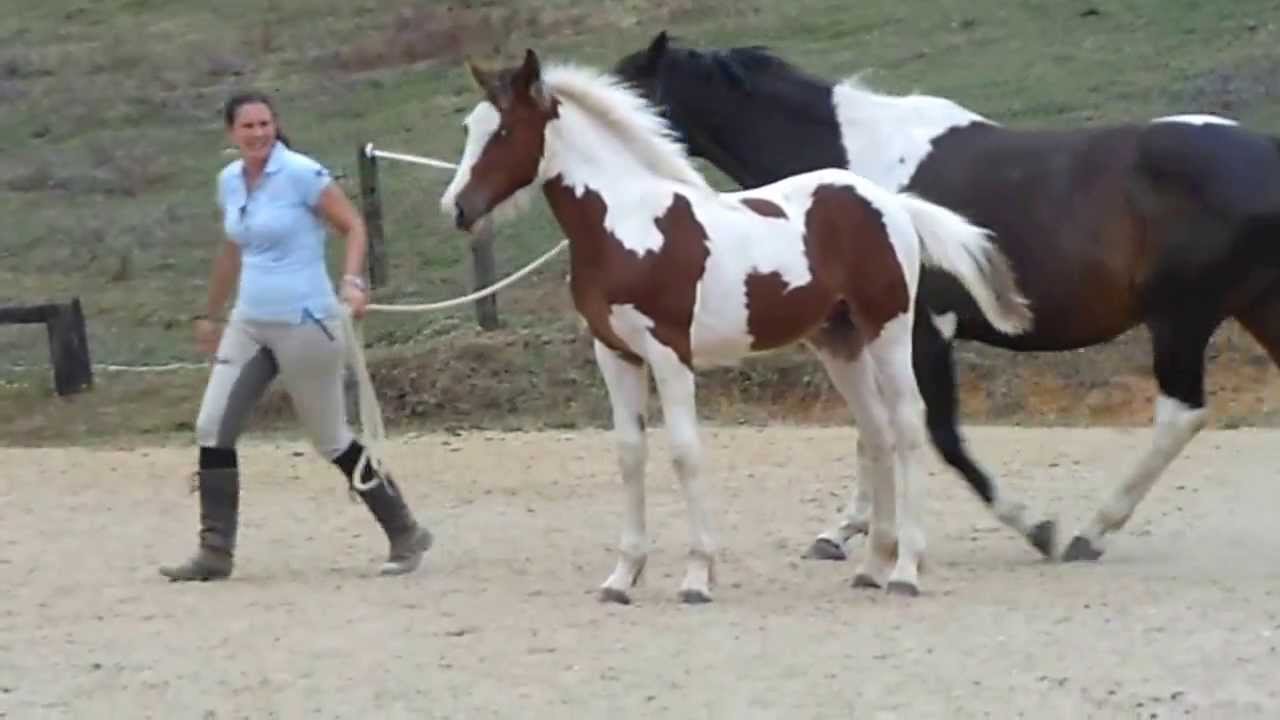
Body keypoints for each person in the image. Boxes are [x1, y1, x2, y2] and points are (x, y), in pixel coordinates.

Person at [159, 90, 433, 581]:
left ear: (275, 126)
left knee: (330, 438)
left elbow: (353, 226)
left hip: (306, 321)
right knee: (213, 425)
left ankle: (404, 529)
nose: (258, 133)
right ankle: (215, 551)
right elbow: (231, 249)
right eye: (248, 126)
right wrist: (211, 313)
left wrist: (352, 281)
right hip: (250, 321)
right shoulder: (229, 182)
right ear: (231, 133)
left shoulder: (303, 174)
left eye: (265, 124)